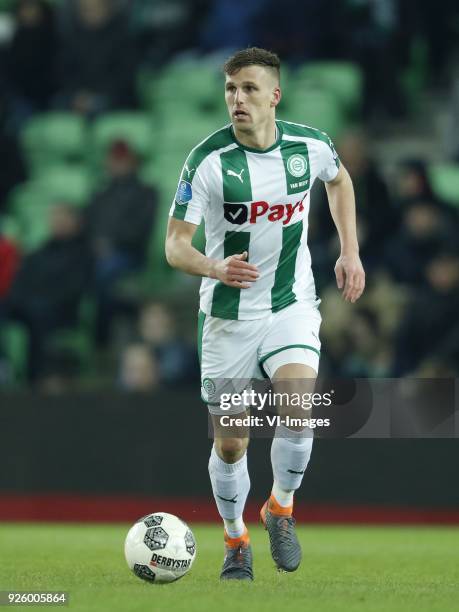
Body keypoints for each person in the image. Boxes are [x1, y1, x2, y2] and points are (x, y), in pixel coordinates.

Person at [165, 48, 365, 581]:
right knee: (231, 443)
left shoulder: (309, 145)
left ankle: (280, 507)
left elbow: (339, 180)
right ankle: (235, 541)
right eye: (231, 89)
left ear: (274, 95)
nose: (238, 99)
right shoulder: (206, 161)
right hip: (228, 319)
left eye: (250, 89)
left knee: (298, 409)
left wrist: (350, 250)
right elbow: (174, 246)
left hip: (290, 305)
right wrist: (214, 266)